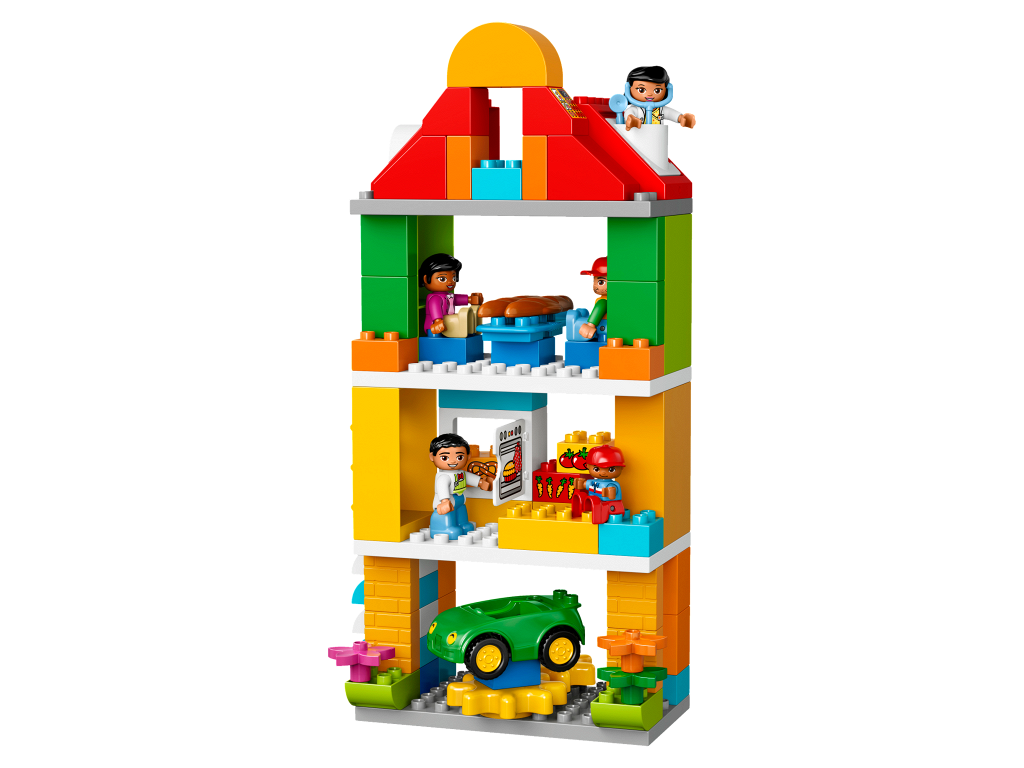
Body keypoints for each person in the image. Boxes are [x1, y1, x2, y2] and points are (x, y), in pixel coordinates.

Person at [429, 433, 492, 539]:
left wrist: (481, 482)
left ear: (468, 456)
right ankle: (445, 528)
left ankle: (462, 524)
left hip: (459, 500)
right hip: (448, 503)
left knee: (461, 512)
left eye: (459, 457)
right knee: (448, 515)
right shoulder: (443, 476)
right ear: (432, 457)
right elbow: (442, 488)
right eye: (445, 457)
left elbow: (469, 478)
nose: (453, 461)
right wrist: (444, 501)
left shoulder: (461, 473)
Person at [419, 253, 483, 336]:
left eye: (453, 278)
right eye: (442, 279)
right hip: (434, 327)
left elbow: (455, 299)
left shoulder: (448, 295)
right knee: (437, 338)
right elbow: (434, 308)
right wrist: (437, 321)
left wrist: (470, 299)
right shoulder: (435, 297)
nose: (450, 282)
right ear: (425, 279)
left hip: (448, 324)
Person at [622, 65, 696, 131]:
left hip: (658, 137)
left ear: (666, 89)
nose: (650, 94)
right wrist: (632, 119)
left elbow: (670, 113)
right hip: (640, 137)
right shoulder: (636, 109)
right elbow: (629, 113)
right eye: (641, 90)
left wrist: (681, 118)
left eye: (657, 90)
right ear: (628, 88)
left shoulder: (661, 109)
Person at [571, 445, 626, 525]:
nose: (603, 472)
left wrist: (610, 492)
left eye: (611, 469)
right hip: (592, 505)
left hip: (609, 506)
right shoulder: (592, 482)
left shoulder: (612, 484)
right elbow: (585, 485)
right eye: (597, 469)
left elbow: (613, 492)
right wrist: (581, 484)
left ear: (621, 468)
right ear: (588, 466)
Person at [578, 257, 608, 340]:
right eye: (594, 280)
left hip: (604, 328)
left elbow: (600, 306)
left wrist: (590, 325)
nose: (595, 286)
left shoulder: (603, 301)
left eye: (601, 282)